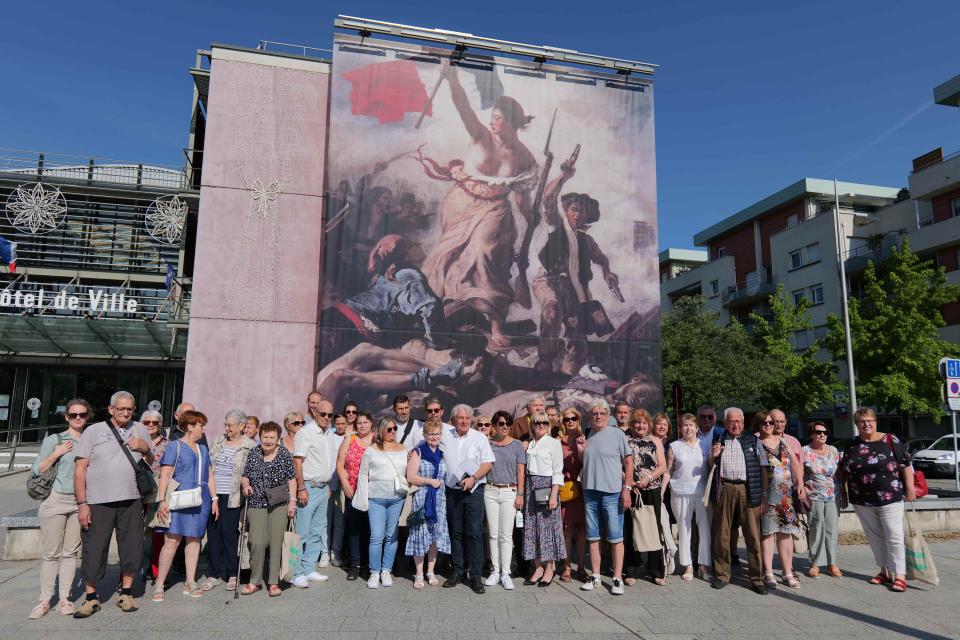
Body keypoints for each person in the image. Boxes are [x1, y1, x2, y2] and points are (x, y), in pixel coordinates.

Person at [418, 64, 539, 350]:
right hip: (460, 203)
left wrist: (530, 216)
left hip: (494, 208)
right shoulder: (480, 135)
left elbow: (521, 196)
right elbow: (462, 107)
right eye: (493, 118)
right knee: (449, 259)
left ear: (512, 122)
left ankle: (496, 324)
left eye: (498, 119)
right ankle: (449, 316)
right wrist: (452, 79)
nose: (493, 122)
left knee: (486, 253)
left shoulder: (524, 158)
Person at [73, 390, 153, 618]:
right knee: (95, 549)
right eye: (121, 409)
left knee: (131, 547)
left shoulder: (141, 429)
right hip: (98, 501)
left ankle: (126, 593)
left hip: (131, 499)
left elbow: (151, 461)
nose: (126, 413)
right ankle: (91, 597)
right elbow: (80, 469)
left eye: (130, 409)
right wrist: (82, 503)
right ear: (111, 409)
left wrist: (144, 448)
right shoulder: (93, 431)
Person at [28, 398, 91, 619]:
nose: (78, 418)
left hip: (79, 501)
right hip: (55, 499)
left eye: (82, 414)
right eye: (73, 415)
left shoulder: (90, 439)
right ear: (66, 417)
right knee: (50, 553)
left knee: (70, 553)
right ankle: (45, 600)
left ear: (87, 416)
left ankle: (64, 599)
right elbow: (37, 469)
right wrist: (57, 452)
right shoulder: (56, 439)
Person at [841, 407, 915, 593]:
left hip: (891, 496)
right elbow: (845, 470)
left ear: (876, 422)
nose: (866, 424)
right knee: (875, 537)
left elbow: (906, 465)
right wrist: (843, 492)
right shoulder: (851, 444)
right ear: (857, 424)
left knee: (894, 536)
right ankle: (884, 571)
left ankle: (899, 575)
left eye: (870, 420)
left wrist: (910, 488)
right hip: (862, 499)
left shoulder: (890, 439)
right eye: (862, 421)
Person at [152, 411, 217, 601]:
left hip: (200, 499)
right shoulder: (175, 446)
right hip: (178, 498)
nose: (203, 429)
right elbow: (165, 474)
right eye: (200, 425)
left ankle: (190, 581)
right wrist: (162, 500)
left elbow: (210, 475)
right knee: (171, 541)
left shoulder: (203, 449)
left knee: (195, 540)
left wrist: (214, 499)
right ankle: (159, 584)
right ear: (190, 426)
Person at [709, 407, 769, 594]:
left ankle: (757, 578)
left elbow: (763, 468)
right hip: (725, 488)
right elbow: (710, 466)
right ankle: (721, 574)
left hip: (748, 489)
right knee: (722, 535)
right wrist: (713, 456)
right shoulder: (718, 440)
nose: (735, 424)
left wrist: (764, 494)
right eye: (731, 421)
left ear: (743, 423)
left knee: (752, 535)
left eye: (738, 421)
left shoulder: (753, 440)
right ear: (725, 423)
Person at [579, 400, 633, 596]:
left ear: (608, 415)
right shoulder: (587, 434)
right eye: (595, 413)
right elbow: (583, 462)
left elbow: (629, 462)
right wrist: (580, 450)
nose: (598, 416)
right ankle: (595, 576)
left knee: (615, 536)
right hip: (590, 491)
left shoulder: (617, 433)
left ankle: (617, 578)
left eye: (602, 413)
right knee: (593, 536)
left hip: (612, 492)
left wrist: (626, 489)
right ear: (590, 416)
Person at [442, 404, 495, 593]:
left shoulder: (479, 437)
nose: (464, 421)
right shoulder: (445, 435)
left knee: (473, 533)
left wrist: (474, 478)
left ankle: (475, 576)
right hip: (452, 491)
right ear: (454, 419)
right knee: (455, 532)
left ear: (471, 420)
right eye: (460, 418)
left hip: (474, 491)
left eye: (467, 418)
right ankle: (457, 571)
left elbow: (488, 463)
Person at [240, 421, 297, 596]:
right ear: (260, 436)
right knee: (257, 541)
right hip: (257, 502)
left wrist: (292, 502)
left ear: (278, 438)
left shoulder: (284, 454)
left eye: (272, 437)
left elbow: (291, 479)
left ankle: (274, 582)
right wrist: (246, 486)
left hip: (279, 503)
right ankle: (255, 581)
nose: (268, 440)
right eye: (265, 436)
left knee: (276, 541)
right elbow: (245, 476)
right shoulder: (253, 453)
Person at [203, 409, 256, 592]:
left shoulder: (250, 445)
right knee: (214, 532)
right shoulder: (218, 441)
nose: (226, 428)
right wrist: (212, 495)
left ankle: (233, 573)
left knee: (229, 533)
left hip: (234, 495)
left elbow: (251, 472)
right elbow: (209, 465)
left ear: (241, 426)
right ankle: (214, 573)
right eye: (225, 424)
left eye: (230, 425)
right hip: (214, 494)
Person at [355, 417, 409, 588]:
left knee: (391, 536)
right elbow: (363, 474)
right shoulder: (371, 450)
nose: (393, 432)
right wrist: (363, 498)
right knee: (377, 536)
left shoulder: (404, 449)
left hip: (397, 499)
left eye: (395, 429)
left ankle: (386, 570)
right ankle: (374, 572)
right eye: (389, 429)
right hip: (376, 498)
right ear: (381, 431)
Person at [756, 410, 805, 589]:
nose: (770, 425)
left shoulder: (783, 441)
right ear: (759, 425)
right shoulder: (756, 443)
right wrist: (761, 495)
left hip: (786, 496)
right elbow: (760, 471)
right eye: (766, 423)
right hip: (768, 495)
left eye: (772, 422)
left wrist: (799, 483)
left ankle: (787, 572)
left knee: (785, 534)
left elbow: (795, 463)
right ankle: (768, 572)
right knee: (768, 534)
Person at [291, 399, 337, 588]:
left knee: (317, 530)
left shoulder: (328, 434)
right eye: (323, 414)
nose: (327, 418)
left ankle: (309, 568)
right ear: (315, 412)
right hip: (308, 487)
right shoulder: (305, 432)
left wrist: (327, 486)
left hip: (323, 487)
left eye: (330, 415)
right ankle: (295, 572)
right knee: (301, 532)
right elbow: (298, 462)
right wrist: (301, 488)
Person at [662, 413, 711, 581]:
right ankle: (688, 565)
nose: (688, 428)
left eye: (691, 425)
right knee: (684, 529)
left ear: (697, 427)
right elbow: (668, 471)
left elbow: (712, 466)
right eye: (685, 425)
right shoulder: (674, 446)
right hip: (680, 491)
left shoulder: (705, 445)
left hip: (702, 492)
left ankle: (703, 565)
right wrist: (661, 493)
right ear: (680, 428)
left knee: (704, 528)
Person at [522, 411, 566, 586]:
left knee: (548, 528)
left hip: (547, 485)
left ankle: (549, 568)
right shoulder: (530, 443)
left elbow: (557, 470)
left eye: (545, 423)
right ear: (532, 425)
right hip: (530, 485)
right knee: (532, 526)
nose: (541, 425)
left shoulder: (554, 443)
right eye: (538, 423)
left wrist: (554, 494)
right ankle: (538, 566)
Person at [405, 419, 450, 588]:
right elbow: (411, 477)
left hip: (440, 500)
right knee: (420, 535)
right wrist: (429, 481)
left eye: (437, 433)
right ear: (424, 435)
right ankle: (418, 574)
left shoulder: (442, 453)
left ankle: (430, 571)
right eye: (430, 433)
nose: (433, 437)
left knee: (434, 537)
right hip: (422, 498)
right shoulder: (418, 452)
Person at [624, 408, 667, 586]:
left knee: (654, 528)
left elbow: (662, 466)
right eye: (637, 422)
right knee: (631, 529)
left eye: (644, 422)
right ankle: (632, 570)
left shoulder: (655, 440)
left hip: (652, 489)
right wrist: (629, 483)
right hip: (632, 490)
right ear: (632, 424)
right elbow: (620, 465)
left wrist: (648, 478)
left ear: (648, 424)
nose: (641, 425)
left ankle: (656, 570)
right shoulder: (625, 440)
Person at [484, 410, 525, 590]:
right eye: (501, 423)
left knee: (506, 535)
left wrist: (520, 495)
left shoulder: (517, 445)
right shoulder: (487, 444)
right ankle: (495, 570)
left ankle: (506, 573)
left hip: (510, 491)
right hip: (490, 491)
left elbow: (520, 472)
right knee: (493, 534)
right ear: (494, 425)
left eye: (508, 423)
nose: (505, 427)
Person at [336, 410, 375, 580]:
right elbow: (339, 465)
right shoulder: (349, 439)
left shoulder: (377, 439)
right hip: (353, 491)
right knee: (354, 530)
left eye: (365, 422)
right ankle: (355, 565)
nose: (362, 425)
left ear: (371, 423)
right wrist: (345, 485)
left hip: (373, 492)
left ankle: (367, 564)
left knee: (370, 530)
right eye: (359, 423)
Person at [802, 420, 842, 579]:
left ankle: (832, 563)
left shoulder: (833, 450)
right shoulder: (805, 450)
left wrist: (844, 494)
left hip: (833, 495)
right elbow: (798, 470)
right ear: (811, 434)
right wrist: (802, 486)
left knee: (832, 530)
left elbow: (839, 474)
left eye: (825, 432)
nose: (822, 435)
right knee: (816, 528)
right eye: (818, 432)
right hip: (814, 496)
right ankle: (815, 564)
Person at [559, 407, 587, 582]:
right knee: (567, 529)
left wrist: (582, 448)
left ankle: (582, 566)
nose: (570, 421)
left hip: (582, 488)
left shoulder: (584, 439)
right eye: (566, 419)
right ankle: (567, 566)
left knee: (583, 529)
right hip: (565, 490)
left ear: (578, 420)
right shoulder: (557, 441)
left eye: (573, 418)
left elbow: (587, 464)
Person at [141, 410, 168, 584]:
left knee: (158, 534)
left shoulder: (168, 444)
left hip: (158, 492)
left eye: (155, 422)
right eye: (147, 422)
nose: (151, 425)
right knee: (134, 534)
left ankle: (157, 572)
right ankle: (127, 575)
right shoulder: (133, 441)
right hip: (135, 491)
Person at [327, 412, 349, 566]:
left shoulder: (350, 439)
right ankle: (324, 552)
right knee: (326, 521)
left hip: (342, 485)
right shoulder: (328, 436)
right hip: (328, 484)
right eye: (338, 423)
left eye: (343, 423)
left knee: (340, 521)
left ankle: (336, 552)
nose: (340, 426)